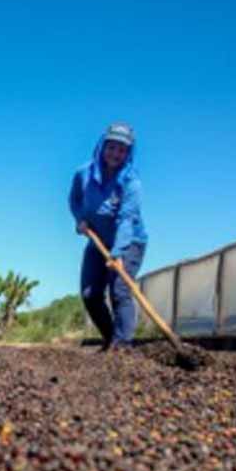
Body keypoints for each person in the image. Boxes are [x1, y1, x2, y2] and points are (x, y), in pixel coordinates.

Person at [68, 122, 148, 349]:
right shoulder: (83, 174)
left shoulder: (131, 182)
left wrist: (118, 253)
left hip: (130, 242)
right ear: (102, 146)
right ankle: (112, 339)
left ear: (128, 153)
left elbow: (126, 219)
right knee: (90, 294)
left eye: (122, 149)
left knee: (119, 290)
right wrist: (80, 219)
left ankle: (122, 345)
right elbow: (74, 199)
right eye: (111, 147)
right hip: (98, 240)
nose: (115, 153)